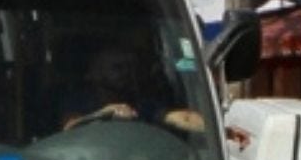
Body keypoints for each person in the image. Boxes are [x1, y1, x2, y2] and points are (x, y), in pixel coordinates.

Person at [61, 45, 204, 132]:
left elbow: (179, 118)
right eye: (117, 68)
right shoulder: (79, 101)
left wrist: (211, 129)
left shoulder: (141, 104)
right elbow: (70, 128)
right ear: (93, 74)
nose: (127, 73)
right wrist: (104, 114)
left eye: (130, 67)